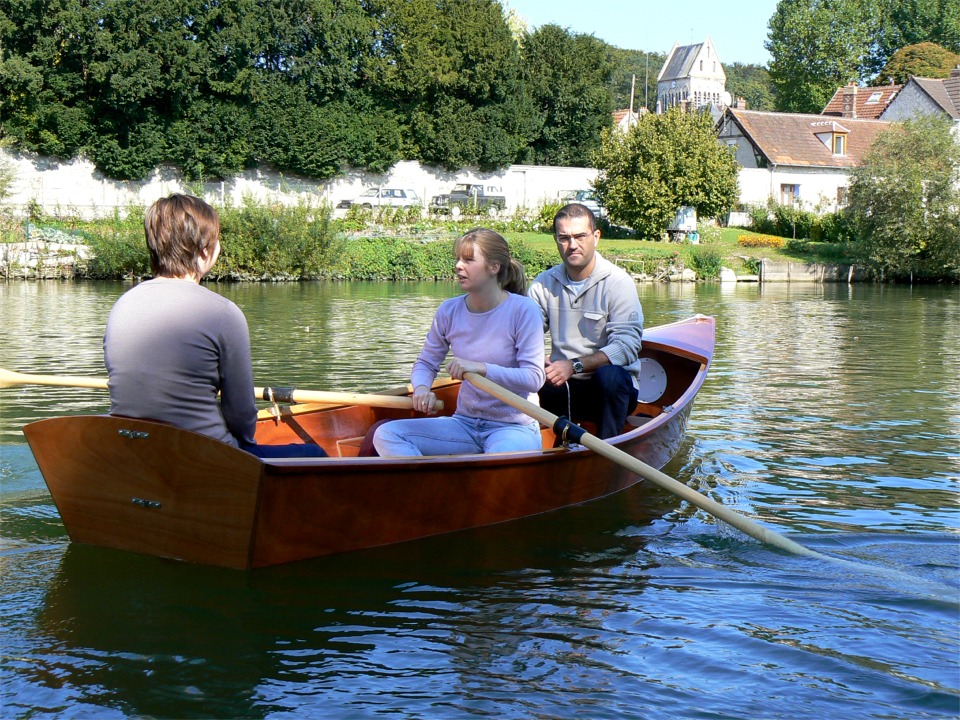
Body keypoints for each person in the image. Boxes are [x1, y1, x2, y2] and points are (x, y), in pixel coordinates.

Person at [103, 193, 326, 458]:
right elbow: (241, 414)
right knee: (314, 453)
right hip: (206, 460)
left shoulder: (122, 305)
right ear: (205, 251)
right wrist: (244, 444)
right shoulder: (223, 313)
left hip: (134, 451)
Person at [373, 229, 546, 457]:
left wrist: (481, 368)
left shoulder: (524, 310)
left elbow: (534, 378)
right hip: (464, 424)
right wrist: (422, 388)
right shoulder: (449, 310)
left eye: (468, 260)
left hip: (514, 427)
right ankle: (428, 489)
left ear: (494, 267)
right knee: (386, 434)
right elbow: (426, 363)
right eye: (458, 259)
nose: (458, 266)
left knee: (497, 459)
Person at [527, 203, 644, 440]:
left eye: (580, 236)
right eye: (564, 238)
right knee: (532, 372)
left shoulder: (618, 283)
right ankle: (544, 443)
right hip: (564, 385)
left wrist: (574, 365)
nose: (572, 245)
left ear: (596, 237)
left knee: (609, 377)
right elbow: (522, 333)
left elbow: (627, 346)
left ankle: (608, 449)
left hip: (611, 390)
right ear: (556, 240)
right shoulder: (543, 284)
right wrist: (534, 357)